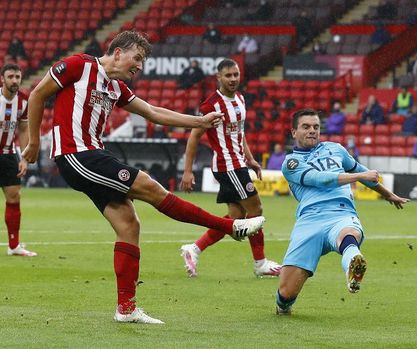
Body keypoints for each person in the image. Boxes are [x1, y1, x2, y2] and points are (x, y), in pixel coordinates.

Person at [21, 31, 266, 324]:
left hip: (93, 154)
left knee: (129, 225)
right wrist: (34, 142)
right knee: (149, 186)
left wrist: (198, 121)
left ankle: (126, 309)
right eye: (136, 58)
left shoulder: (116, 87)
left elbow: (152, 112)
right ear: (117, 53)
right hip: (77, 154)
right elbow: (37, 94)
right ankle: (230, 226)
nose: (139, 66)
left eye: (142, 61)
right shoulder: (78, 65)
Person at [274, 108, 409, 315]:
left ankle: (353, 268)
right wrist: (356, 177)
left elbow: (363, 173)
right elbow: (321, 179)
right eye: (306, 127)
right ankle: (283, 306)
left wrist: (388, 194)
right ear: (293, 132)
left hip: (341, 212)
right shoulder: (291, 163)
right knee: (286, 293)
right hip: (310, 220)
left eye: (316, 127)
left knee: (349, 236)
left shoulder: (335, 149)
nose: (312, 131)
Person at [179, 58, 282, 279]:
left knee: (236, 217)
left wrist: (251, 159)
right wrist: (188, 171)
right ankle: (260, 263)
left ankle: (194, 249)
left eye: (236, 74)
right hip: (228, 166)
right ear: (218, 77)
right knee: (257, 211)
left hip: (238, 163)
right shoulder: (211, 105)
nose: (233, 79)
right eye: (228, 75)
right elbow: (194, 135)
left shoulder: (241, 99)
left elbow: (239, 134)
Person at [0, 64, 36, 257]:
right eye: (10, 76)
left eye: (17, 76)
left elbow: (23, 129)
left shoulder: (23, 101)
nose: (14, 80)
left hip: (7, 154)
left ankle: (14, 246)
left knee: (14, 196)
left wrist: (24, 157)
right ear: (2, 79)